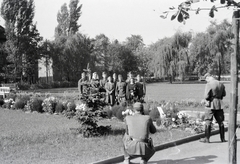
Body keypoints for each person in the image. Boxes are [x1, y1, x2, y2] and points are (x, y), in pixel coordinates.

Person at [200, 73, 226, 143]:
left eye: (206, 79)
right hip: (219, 104)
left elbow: (206, 96)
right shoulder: (221, 83)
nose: (206, 81)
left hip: (210, 104)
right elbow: (224, 94)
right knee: (221, 122)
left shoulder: (209, 84)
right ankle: (223, 138)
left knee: (208, 121)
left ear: (208, 77)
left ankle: (207, 139)